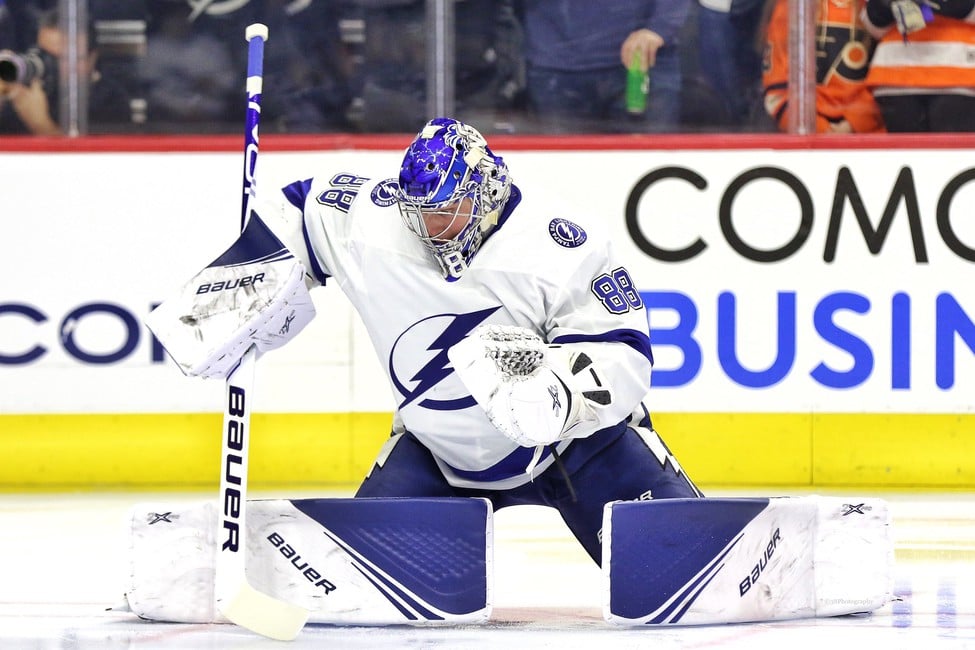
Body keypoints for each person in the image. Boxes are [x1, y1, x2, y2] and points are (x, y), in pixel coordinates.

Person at [147, 117, 703, 565]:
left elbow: (624, 349)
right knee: (362, 584)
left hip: (578, 451)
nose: (433, 228)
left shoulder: (560, 241)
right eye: (422, 214)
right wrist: (241, 288)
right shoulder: (376, 219)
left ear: (486, 189)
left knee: (682, 568)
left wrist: (558, 394)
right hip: (438, 457)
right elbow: (303, 208)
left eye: (448, 210)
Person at [513, 0, 692, 133]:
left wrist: (659, 28)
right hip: (556, 68)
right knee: (563, 175)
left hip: (642, 62)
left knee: (648, 164)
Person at [762, 0, 886, 133]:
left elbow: (886, 81)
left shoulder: (877, 8)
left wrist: (852, 125)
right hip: (806, 140)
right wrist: (820, 131)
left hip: (869, 141)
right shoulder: (792, 6)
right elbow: (777, 90)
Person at [861, 0, 975, 131]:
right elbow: (874, 25)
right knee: (906, 151)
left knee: (951, 150)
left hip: (960, 74)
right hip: (896, 75)